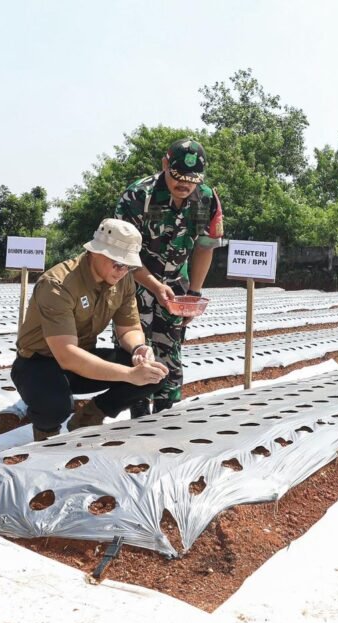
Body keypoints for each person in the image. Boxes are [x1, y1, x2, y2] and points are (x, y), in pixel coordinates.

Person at [11, 218, 169, 441]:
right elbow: (67, 355)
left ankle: (90, 415)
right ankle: (45, 434)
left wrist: (138, 348)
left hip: (82, 358)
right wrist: (130, 375)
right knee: (56, 407)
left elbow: (128, 328)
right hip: (38, 362)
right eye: (117, 264)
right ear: (96, 253)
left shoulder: (123, 281)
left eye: (129, 266)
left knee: (154, 375)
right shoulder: (58, 284)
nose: (122, 271)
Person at [115, 138, 224, 416]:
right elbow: (124, 255)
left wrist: (195, 294)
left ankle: (166, 412)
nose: (185, 185)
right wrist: (153, 285)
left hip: (175, 287)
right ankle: (136, 411)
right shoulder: (139, 196)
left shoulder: (206, 198)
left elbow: (204, 247)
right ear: (165, 165)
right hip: (134, 284)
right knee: (136, 351)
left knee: (170, 350)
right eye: (177, 177)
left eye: (192, 179)